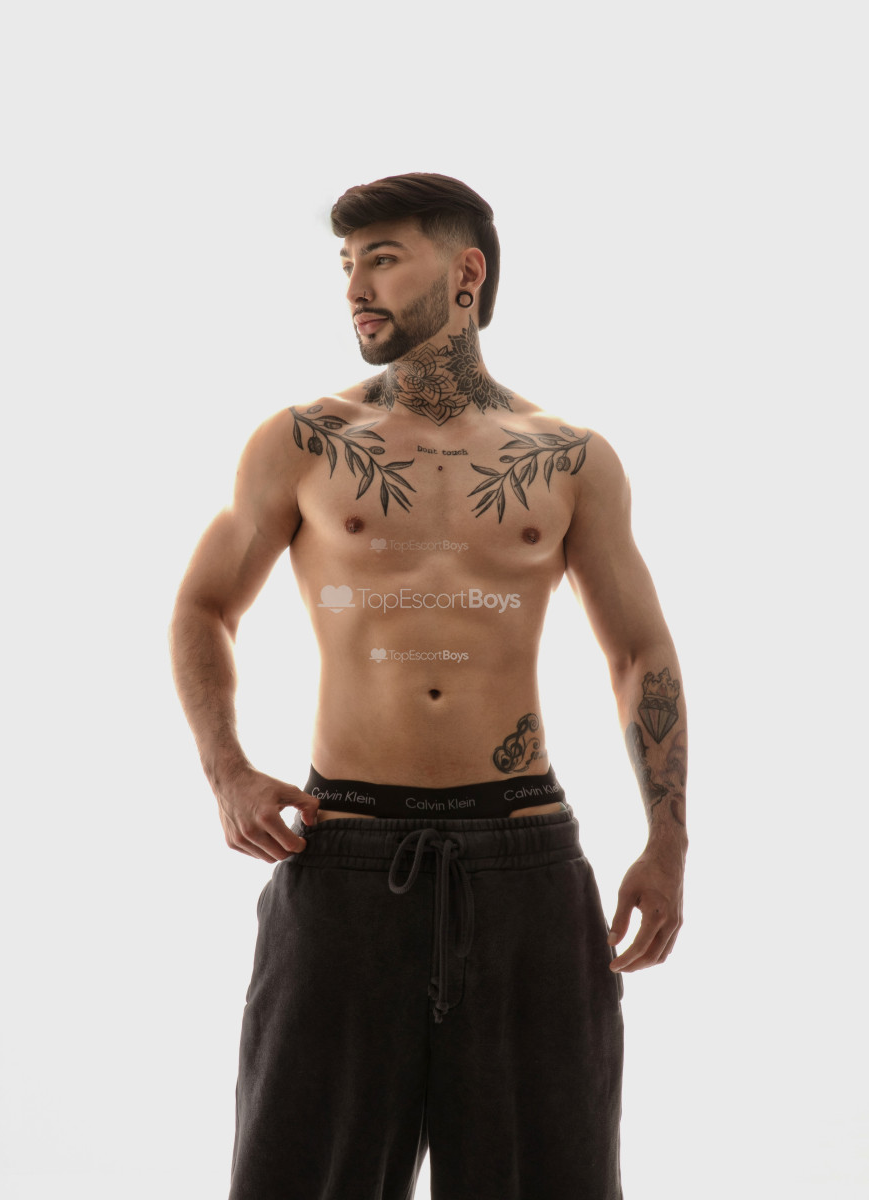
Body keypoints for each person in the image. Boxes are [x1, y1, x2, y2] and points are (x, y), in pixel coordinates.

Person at [169, 172, 687, 1200]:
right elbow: (203, 606)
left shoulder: (568, 458)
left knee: (552, 1181)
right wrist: (227, 772)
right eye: (345, 264)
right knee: (299, 1177)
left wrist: (667, 842)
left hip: (524, 859)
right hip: (344, 853)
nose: (354, 287)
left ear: (465, 273)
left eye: (382, 258)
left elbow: (640, 655)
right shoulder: (303, 441)